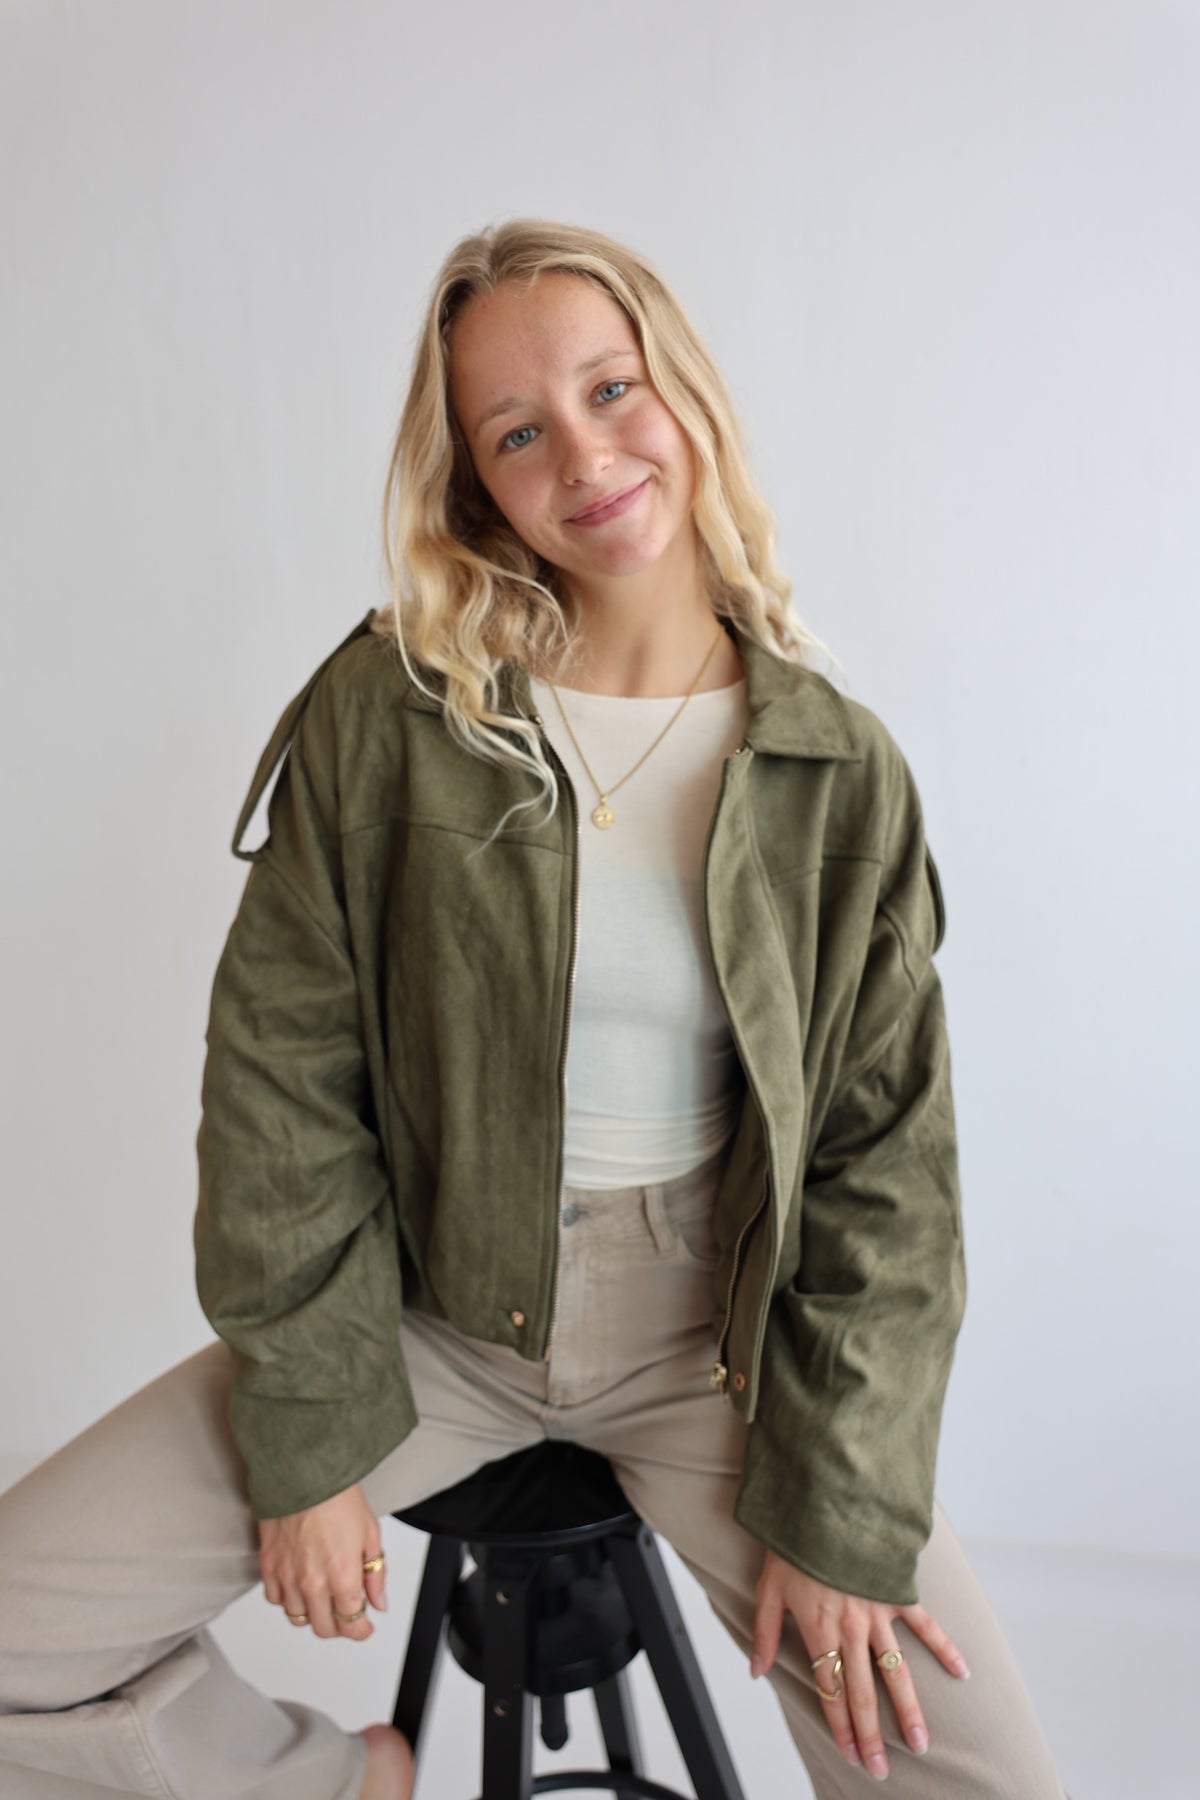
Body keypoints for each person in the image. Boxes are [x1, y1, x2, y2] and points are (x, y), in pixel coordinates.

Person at [0, 219, 1066, 1799]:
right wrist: (311, 1435)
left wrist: (843, 1513)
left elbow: (887, 1169)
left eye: (610, 388)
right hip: (420, 1319)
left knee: (983, 1782)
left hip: (713, 1350)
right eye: (517, 432)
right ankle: (336, 1785)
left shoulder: (837, 771)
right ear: (477, 489)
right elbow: (281, 1084)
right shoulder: (392, 714)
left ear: (682, 392)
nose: (583, 454)